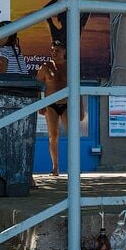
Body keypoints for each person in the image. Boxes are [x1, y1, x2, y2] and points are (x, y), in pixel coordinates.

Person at [36, 38, 84, 175]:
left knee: (72, 135)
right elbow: (38, 87)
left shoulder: (71, 66)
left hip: (67, 105)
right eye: (52, 50)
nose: (54, 53)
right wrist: (41, 104)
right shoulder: (45, 67)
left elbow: (78, 89)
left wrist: (81, 110)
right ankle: (55, 167)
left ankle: (74, 166)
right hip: (51, 105)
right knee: (53, 136)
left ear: (64, 51)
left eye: (57, 50)